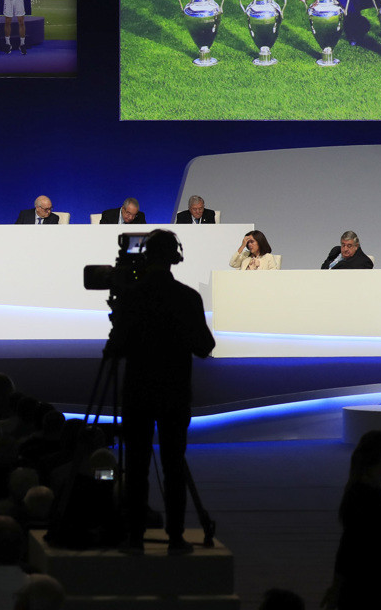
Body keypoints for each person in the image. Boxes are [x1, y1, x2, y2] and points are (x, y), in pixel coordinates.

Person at [105, 230, 215, 553]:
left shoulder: (132, 296)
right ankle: (176, 537)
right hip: (174, 392)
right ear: (175, 256)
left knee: (135, 467)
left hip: (138, 391)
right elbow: (204, 346)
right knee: (173, 465)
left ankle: (135, 537)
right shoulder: (188, 297)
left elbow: (118, 346)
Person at [323, 430, 381, 610]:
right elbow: (350, 546)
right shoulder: (373, 498)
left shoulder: (357, 492)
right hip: (370, 587)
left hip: (361, 584)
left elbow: (347, 545)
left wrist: (336, 586)